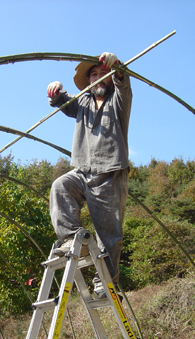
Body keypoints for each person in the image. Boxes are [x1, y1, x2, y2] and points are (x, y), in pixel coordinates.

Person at [46, 52, 132, 297]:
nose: (98, 78)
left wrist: (116, 67)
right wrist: (55, 91)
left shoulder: (118, 101)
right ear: (89, 80)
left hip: (110, 174)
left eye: (103, 74)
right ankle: (72, 238)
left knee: (110, 236)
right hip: (83, 171)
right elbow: (62, 102)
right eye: (94, 74)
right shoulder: (83, 102)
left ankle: (106, 282)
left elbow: (124, 84)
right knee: (60, 186)